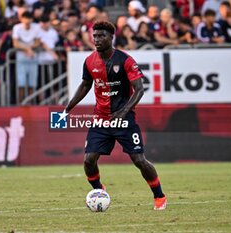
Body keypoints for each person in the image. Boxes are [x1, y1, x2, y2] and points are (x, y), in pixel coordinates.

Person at [62, 21, 167, 210]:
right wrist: (68, 108)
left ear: (111, 37)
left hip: (124, 119)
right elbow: (85, 85)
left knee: (139, 161)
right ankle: (99, 191)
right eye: (95, 36)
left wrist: (124, 111)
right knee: (88, 160)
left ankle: (159, 196)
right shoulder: (89, 61)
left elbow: (139, 90)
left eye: (101, 36)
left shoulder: (125, 60)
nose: (97, 39)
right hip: (100, 119)